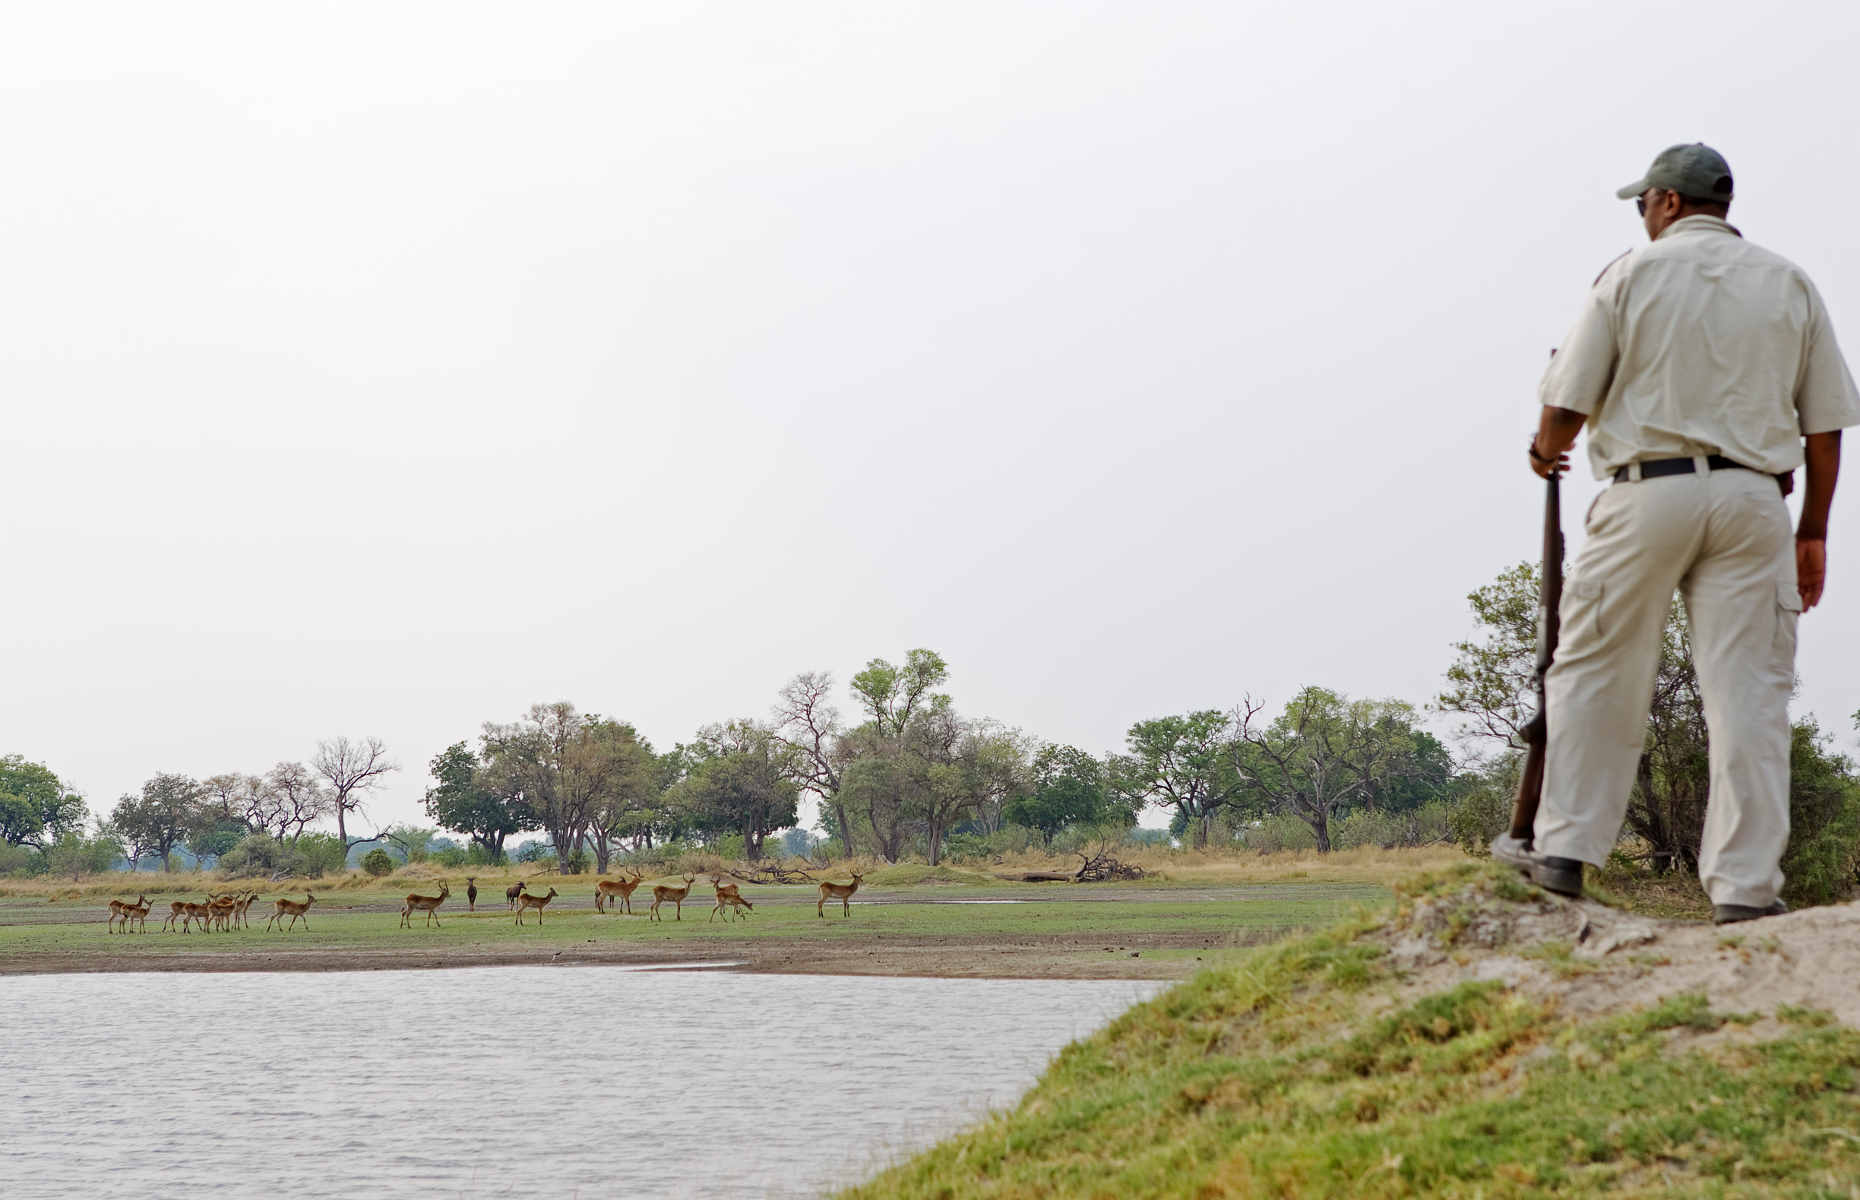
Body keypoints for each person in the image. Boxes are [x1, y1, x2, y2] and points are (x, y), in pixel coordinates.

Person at [1501, 143, 1860, 924]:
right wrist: (1813, 533)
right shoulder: (1789, 280)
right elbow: (1827, 428)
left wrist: (1543, 452)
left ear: (1665, 202)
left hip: (1646, 489)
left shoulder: (1630, 273)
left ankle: (1563, 852)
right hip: (1753, 498)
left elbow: (1566, 404)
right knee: (1749, 697)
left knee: (1597, 669)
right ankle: (1745, 889)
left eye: (1643, 203)